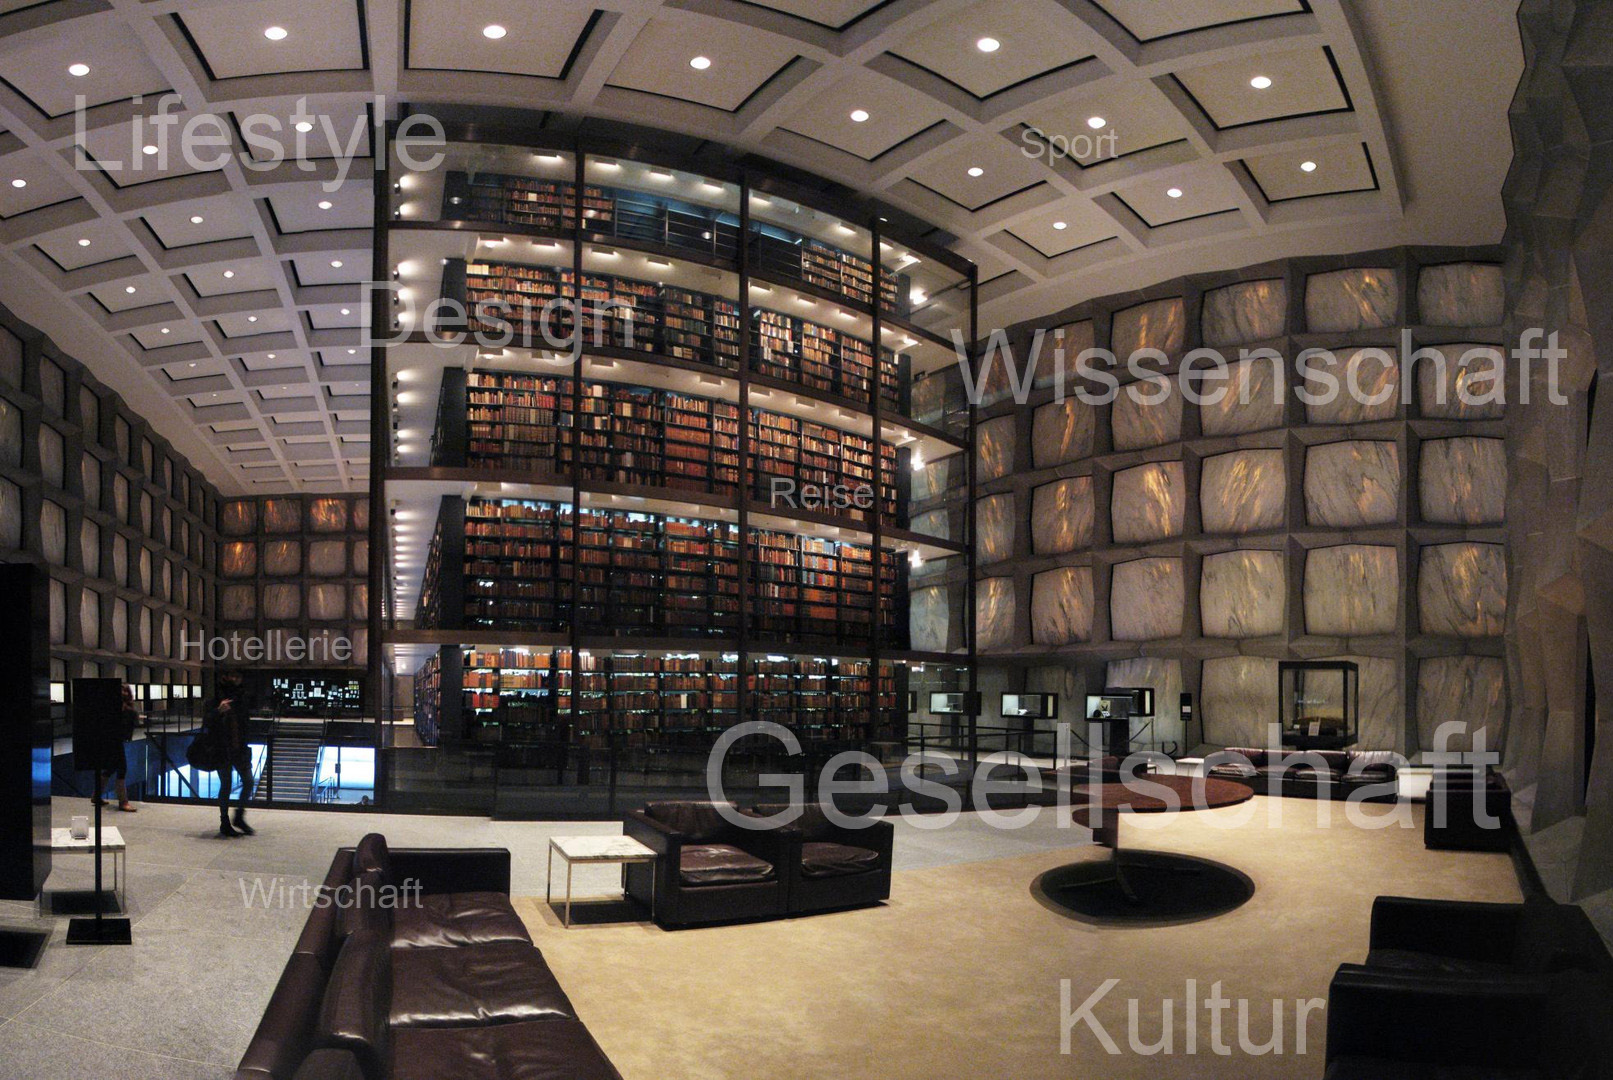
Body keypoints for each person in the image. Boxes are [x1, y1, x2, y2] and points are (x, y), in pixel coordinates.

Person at [204, 672, 255, 837]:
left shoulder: (241, 701)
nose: (235, 680)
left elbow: (245, 725)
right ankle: (225, 822)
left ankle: (238, 816)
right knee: (226, 784)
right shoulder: (214, 702)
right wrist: (219, 711)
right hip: (222, 749)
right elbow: (207, 723)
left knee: (248, 781)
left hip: (238, 748)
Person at [93, 685, 141, 812]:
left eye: (126, 690)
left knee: (110, 768)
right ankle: (123, 802)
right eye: (122, 690)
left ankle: (96, 795)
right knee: (121, 769)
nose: (124, 693)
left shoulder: (120, 708)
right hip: (113, 741)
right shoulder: (118, 708)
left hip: (114, 740)